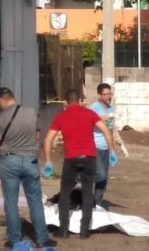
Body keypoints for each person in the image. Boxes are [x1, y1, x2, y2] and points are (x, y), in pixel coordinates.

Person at [0, 87, 56, 248]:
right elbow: (38, 136)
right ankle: (43, 238)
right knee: (35, 200)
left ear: (0, 101)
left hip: (9, 161)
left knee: (11, 201)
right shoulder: (31, 112)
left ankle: (14, 239)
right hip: (30, 160)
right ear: (12, 97)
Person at [44, 89, 116, 239]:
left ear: (65, 102)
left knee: (65, 193)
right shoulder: (89, 113)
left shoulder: (61, 116)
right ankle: (85, 230)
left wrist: (48, 162)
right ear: (80, 100)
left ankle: (63, 229)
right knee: (87, 192)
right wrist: (112, 151)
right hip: (89, 157)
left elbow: (48, 140)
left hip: (71, 159)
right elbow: (106, 131)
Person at [88, 83, 129, 210]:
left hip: (107, 148)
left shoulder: (110, 109)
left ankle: (97, 202)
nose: (108, 96)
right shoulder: (94, 108)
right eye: (105, 94)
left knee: (104, 179)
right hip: (96, 146)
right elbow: (92, 118)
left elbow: (112, 129)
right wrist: (108, 116)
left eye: (109, 94)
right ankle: (81, 181)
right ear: (99, 95)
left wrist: (121, 144)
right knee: (100, 175)